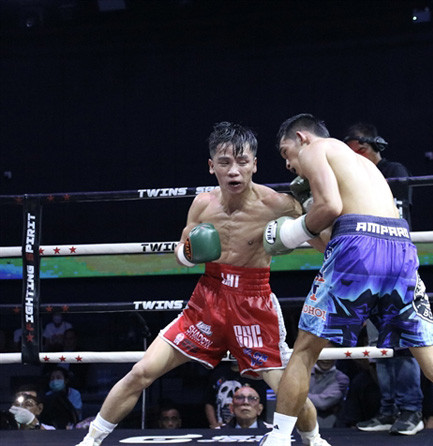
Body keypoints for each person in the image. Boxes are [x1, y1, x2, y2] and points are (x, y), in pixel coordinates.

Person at [76, 122, 328, 446]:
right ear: (212, 166)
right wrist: (188, 253)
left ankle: (315, 440)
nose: (234, 171)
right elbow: (181, 254)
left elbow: (325, 243)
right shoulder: (202, 204)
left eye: (242, 162)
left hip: (253, 304)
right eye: (225, 162)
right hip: (208, 299)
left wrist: (307, 212)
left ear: (254, 164)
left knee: (287, 387)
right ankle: (90, 440)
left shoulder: (278, 204)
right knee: (142, 371)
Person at [260, 113, 433, 446]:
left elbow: (330, 208)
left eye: (286, 153)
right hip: (399, 248)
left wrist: (291, 232)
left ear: (302, 137)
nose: (288, 164)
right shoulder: (365, 168)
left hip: (358, 245)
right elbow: (335, 241)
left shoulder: (316, 148)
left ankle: (278, 439)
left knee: (304, 352)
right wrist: (308, 220)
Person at [344, 122, 426, 435]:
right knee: (380, 346)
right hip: (368, 268)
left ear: (368, 147)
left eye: (357, 151)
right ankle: (388, 410)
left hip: (395, 264)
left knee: (401, 342)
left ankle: (411, 411)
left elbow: (396, 217)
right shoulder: (355, 178)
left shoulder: (393, 171)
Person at [204, 360, 268, 428]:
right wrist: (214, 425)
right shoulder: (218, 373)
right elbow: (209, 401)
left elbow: (261, 402)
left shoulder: (255, 375)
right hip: (221, 426)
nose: (245, 402)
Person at [307, 345, 350, 428]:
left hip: (327, 425)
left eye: (330, 354)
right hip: (298, 421)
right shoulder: (303, 372)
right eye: (324, 354)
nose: (327, 359)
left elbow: (322, 403)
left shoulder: (342, 379)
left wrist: (297, 396)